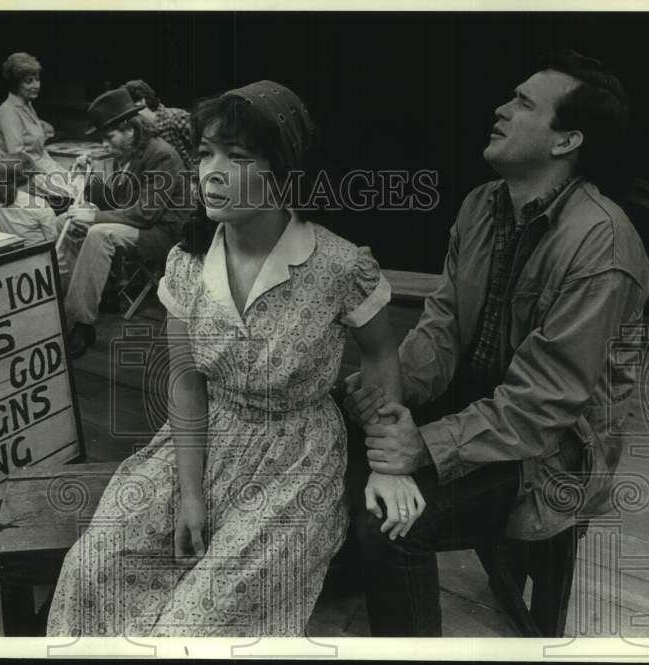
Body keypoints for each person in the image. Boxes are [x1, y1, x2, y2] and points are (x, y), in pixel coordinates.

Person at [47, 81, 423, 636]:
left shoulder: (340, 266)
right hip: (201, 442)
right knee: (91, 569)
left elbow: (381, 355)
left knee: (196, 624)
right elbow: (186, 383)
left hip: (295, 461)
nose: (211, 172)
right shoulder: (186, 263)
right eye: (205, 154)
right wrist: (191, 496)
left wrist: (388, 460)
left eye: (239, 156)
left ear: (285, 170)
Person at [342, 50, 649, 636]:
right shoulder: (482, 205)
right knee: (331, 421)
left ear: (566, 142)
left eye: (524, 103)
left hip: (550, 454)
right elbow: (440, 329)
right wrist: (389, 395)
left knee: (390, 528)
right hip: (481, 414)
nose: (501, 109)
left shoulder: (602, 246)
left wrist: (423, 445)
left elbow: (543, 406)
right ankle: (334, 578)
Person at [57, 86, 190, 358]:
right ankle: (90, 298)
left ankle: (82, 324)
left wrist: (93, 215)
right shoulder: (128, 155)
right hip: (141, 226)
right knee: (65, 223)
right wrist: (88, 179)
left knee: (99, 234)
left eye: (109, 137)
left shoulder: (161, 154)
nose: (105, 145)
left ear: (130, 129)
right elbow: (116, 199)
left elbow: (145, 213)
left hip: (164, 235)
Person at [0, 51, 69, 201]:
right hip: (23, 179)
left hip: (39, 171)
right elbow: (19, 155)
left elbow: (39, 151)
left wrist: (57, 169)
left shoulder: (27, 105)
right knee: (74, 192)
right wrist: (50, 172)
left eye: (37, 79)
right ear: (16, 84)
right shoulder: (9, 111)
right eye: (29, 81)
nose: (36, 85)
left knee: (80, 182)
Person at [125, 79, 195, 170]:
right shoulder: (141, 133)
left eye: (131, 113)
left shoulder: (176, 117)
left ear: (142, 102)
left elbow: (205, 147)